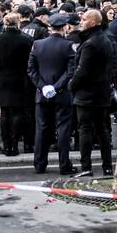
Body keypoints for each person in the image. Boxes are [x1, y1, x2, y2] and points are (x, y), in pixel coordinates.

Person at [27, 13, 76, 175]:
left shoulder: (37, 45)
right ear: (64, 28)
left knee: (42, 129)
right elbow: (70, 72)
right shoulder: (68, 46)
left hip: (42, 94)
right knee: (63, 129)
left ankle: (40, 164)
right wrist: (56, 87)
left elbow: (31, 70)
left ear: (50, 28)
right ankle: (64, 164)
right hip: (62, 94)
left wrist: (42, 87)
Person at [69, 10, 114, 175]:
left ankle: (86, 167)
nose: (81, 21)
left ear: (94, 23)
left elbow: (82, 70)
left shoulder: (90, 43)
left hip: (87, 94)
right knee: (102, 129)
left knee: (85, 129)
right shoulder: (105, 40)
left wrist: (71, 84)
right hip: (102, 92)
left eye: (85, 19)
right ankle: (107, 167)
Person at [0, 12, 34, 156]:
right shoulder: (26, 39)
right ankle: (17, 143)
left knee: (4, 113)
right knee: (19, 112)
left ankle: (7, 144)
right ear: (18, 22)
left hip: (3, 78)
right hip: (21, 78)